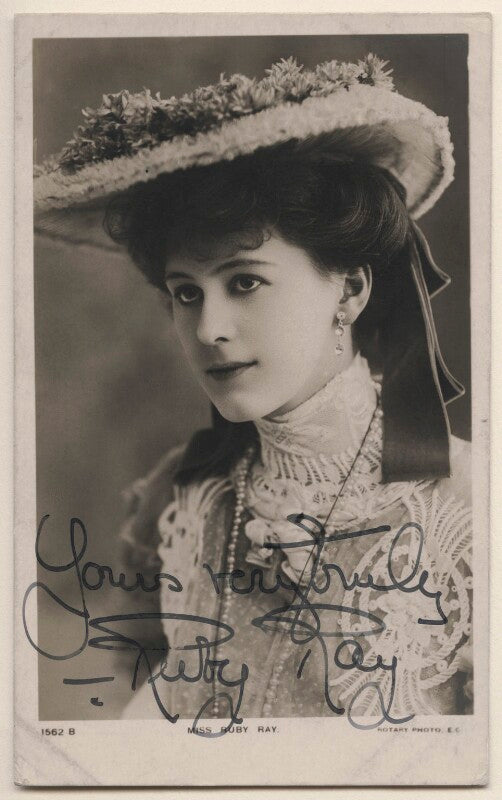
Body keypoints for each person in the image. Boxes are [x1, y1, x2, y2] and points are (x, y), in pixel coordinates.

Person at [34, 54, 472, 726]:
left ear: (350, 290)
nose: (208, 328)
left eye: (245, 282)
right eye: (186, 293)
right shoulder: (182, 497)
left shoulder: (467, 509)